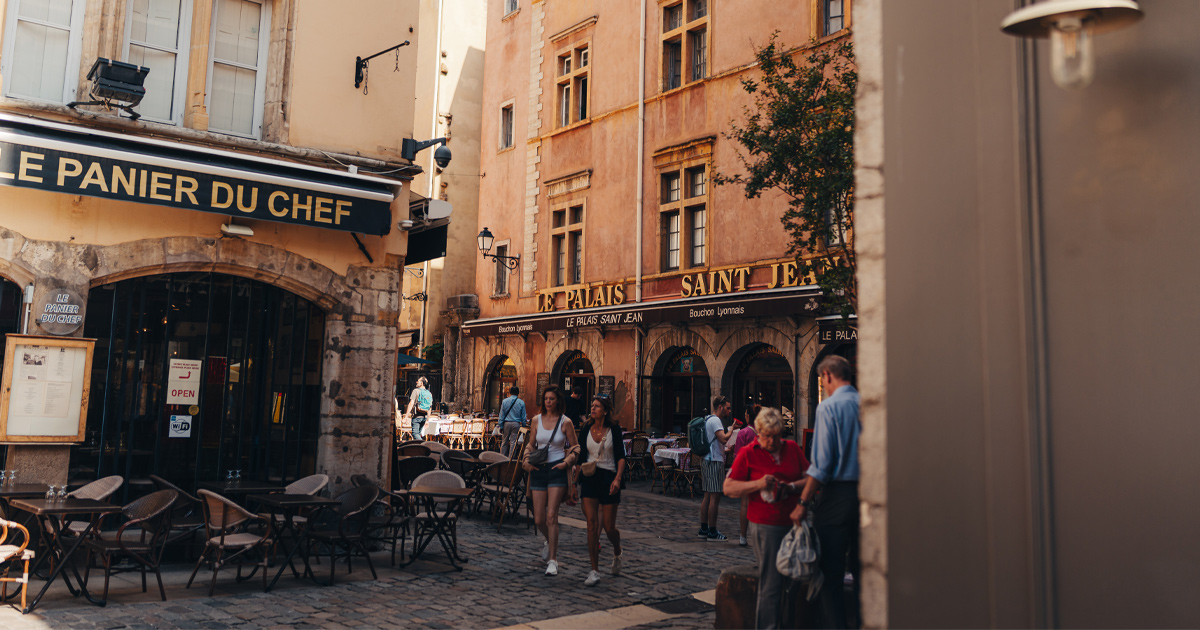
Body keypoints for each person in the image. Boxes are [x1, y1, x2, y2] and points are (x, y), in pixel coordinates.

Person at [791, 355, 860, 629]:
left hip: (836, 497)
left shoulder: (829, 408)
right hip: (867, 496)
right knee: (862, 571)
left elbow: (821, 465)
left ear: (828, 376)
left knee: (830, 573)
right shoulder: (867, 404)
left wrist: (802, 503)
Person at [724, 408, 809, 630]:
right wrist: (758, 484)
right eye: (767, 436)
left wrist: (790, 487)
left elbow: (810, 479)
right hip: (765, 525)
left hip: (793, 524)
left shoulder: (792, 449)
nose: (772, 441)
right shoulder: (750, 452)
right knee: (771, 582)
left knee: (793, 580)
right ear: (758, 433)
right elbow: (729, 487)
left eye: (776, 436)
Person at [522, 384, 579, 576]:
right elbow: (531, 445)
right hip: (538, 470)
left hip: (557, 470)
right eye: (546, 398)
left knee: (551, 516)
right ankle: (549, 539)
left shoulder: (566, 422)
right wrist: (526, 461)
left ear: (558, 401)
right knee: (538, 518)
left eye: (552, 399)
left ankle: (553, 560)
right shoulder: (536, 420)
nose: (548, 402)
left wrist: (567, 462)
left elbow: (576, 448)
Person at [574, 395, 626, 586]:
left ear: (605, 410)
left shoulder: (614, 429)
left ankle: (617, 549)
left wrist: (618, 478)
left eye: (596, 406)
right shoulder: (587, 428)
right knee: (592, 525)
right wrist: (574, 483)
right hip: (590, 477)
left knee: (608, 527)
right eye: (592, 406)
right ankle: (594, 570)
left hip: (609, 477)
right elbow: (580, 457)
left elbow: (621, 456)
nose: (593, 409)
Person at [698, 395, 732, 541]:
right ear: (720, 407)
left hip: (707, 458)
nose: (729, 411)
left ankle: (703, 528)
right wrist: (732, 429)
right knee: (715, 497)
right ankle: (712, 531)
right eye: (728, 408)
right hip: (714, 461)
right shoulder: (716, 420)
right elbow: (723, 438)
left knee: (707, 495)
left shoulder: (707, 419)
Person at [733, 404, 762, 546]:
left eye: (745, 413)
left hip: (748, 472)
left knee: (745, 504)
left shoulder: (743, 433)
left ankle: (743, 537)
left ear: (748, 417)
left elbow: (737, 456)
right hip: (762, 471)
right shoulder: (764, 432)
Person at [498, 385, 526, 457]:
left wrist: (500, 425)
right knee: (513, 442)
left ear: (510, 392)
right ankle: (510, 459)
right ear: (518, 393)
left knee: (504, 441)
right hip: (516, 424)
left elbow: (501, 415)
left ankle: (502, 458)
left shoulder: (504, 401)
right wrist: (523, 426)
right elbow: (523, 416)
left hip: (506, 423)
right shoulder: (521, 402)